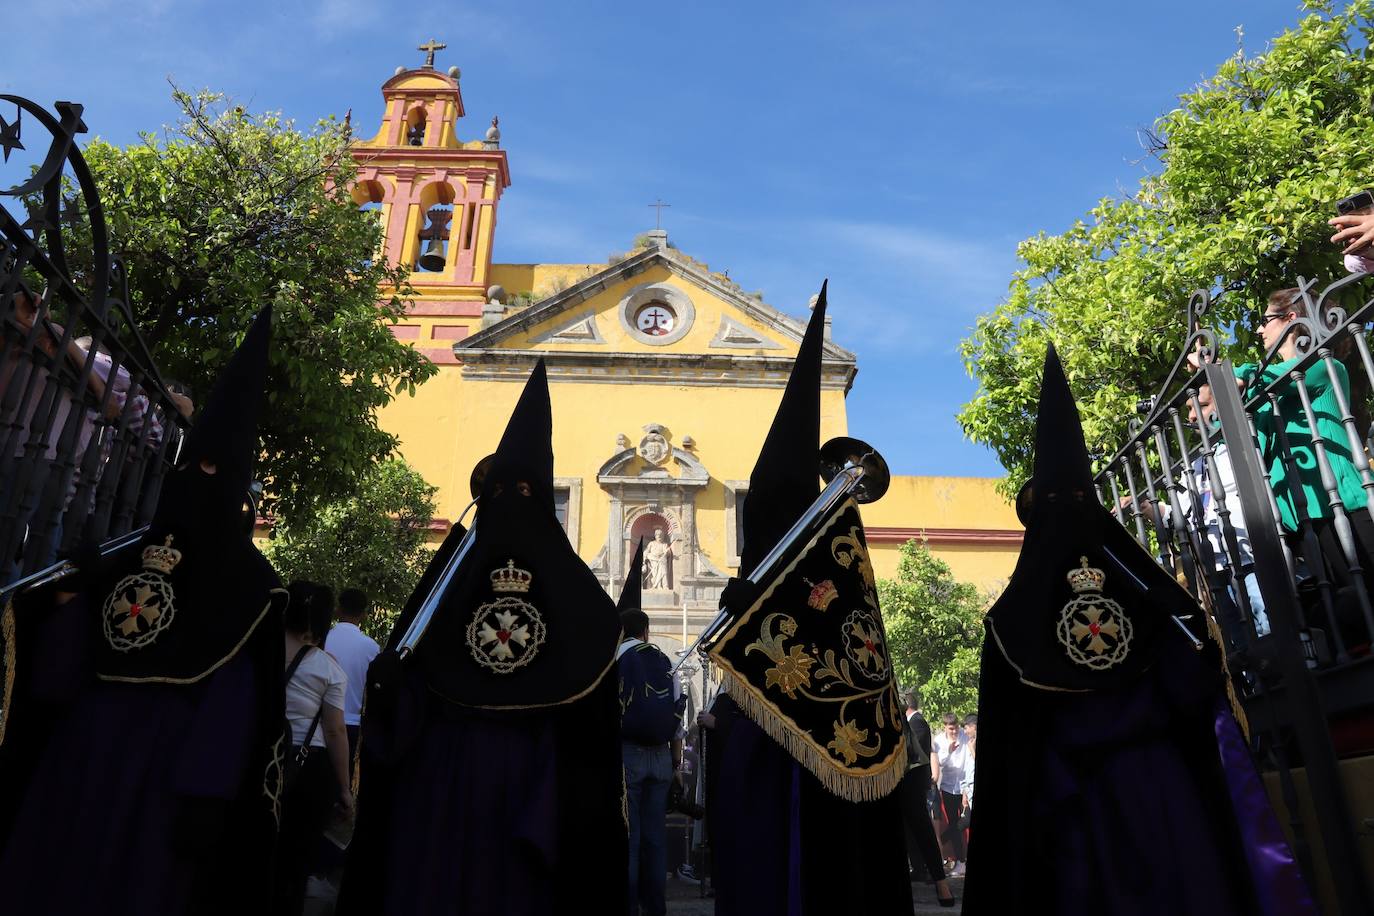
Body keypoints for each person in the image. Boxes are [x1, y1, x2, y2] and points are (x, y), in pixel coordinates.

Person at [962, 345, 1314, 915]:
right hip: (1171, 801)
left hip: (1077, 819)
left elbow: (1010, 764)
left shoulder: (1012, 619)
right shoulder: (1153, 594)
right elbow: (1197, 684)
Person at [0, 307, 289, 915]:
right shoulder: (120, 556)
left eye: (213, 471)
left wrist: (203, 801)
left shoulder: (251, 586)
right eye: (191, 467)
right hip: (78, 765)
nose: (196, 479)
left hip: (159, 785)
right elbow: (54, 678)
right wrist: (70, 598)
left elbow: (231, 715)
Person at [338, 360, 628, 915]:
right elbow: (404, 681)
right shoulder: (453, 577)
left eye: (523, 490)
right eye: (501, 491)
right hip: (445, 786)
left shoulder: (575, 597)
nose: (511, 503)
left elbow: (593, 730)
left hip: (528, 793)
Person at [702, 282, 914, 916]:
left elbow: (845, 644)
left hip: (825, 774)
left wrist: (761, 614)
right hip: (758, 755)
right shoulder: (769, 553)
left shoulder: (837, 549)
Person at [1238, 289, 1374, 640]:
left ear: (1291, 320)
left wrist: (1232, 372)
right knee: (1344, 603)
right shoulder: (1271, 389)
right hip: (1304, 514)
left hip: (1343, 504)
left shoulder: (1321, 363)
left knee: (1366, 591)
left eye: (1266, 320)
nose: (1259, 330)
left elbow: (1263, 380)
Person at [274, 580, 352, 916]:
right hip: (307, 769)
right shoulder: (328, 668)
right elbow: (335, 731)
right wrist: (345, 789)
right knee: (296, 855)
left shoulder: (259, 649)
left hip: (261, 756)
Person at [617, 539, 683, 916]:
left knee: (631, 836)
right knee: (656, 838)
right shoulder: (663, 661)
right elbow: (677, 720)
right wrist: (675, 766)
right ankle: (656, 907)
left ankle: (628, 905)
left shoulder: (614, 662)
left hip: (627, 757)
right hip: (660, 758)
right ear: (645, 631)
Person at [898, 689, 955, 906]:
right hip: (884, 773)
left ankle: (941, 881)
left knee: (922, 826)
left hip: (909, 775)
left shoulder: (915, 721)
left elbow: (917, 750)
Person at [327, 587, 381, 769]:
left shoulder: (323, 639)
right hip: (352, 725)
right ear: (364, 614)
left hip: (322, 723)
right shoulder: (371, 647)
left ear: (338, 609)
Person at [931, 712, 969, 875]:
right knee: (953, 821)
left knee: (964, 821)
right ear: (945, 727)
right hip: (947, 786)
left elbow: (968, 760)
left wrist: (966, 789)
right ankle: (960, 862)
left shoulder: (964, 737)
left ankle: (942, 840)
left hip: (963, 785)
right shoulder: (939, 741)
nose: (954, 732)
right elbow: (938, 764)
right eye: (951, 729)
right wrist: (949, 751)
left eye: (956, 729)